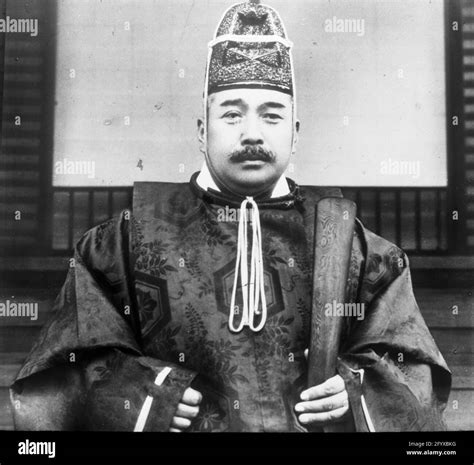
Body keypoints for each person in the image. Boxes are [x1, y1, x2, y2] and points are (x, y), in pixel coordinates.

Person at [10, 0, 451, 432]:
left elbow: (411, 366)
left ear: (295, 133)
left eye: (272, 115)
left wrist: (355, 389)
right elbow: (66, 364)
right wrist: (142, 398)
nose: (252, 133)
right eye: (232, 114)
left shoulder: (355, 246)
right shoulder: (122, 241)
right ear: (203, 130)